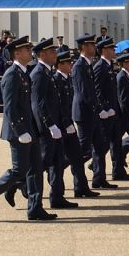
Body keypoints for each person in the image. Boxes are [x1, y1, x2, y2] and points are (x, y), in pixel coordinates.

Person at [0, 36, 56, 221]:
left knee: (35, 169)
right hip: (18, 131)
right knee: (19, 170)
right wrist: (20, 131)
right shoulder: (11, 75)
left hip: (30, 130)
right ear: (17, 53)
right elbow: (10, 107)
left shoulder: (24, 73)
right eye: (27, 49)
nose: (30, 52)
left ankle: (35, 208)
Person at [30, 37, 78, 209]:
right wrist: (49, 125)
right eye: (52, 52)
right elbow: (39, 104)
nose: (55, 54)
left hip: (56, 126)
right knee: (42, 163)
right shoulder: (38, 74)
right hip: (46, 129)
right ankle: (18, 185)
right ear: (42, 54)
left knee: (57, 162)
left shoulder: (47, 72)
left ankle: (57, 197)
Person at [72, 34, 117, 189]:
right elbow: (87, 93)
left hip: (93, 113)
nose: (94, 48)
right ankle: (57, 167)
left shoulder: (88, 65)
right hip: (85, 113)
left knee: (99, 146)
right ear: (83, 47)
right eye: (91, 45)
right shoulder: (79, 66)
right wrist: (101, 109)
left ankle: (99, 178)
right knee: (82, 152)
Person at [53, 50, 99, 198]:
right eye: (68, 62)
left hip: (68, 123)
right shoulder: (56, 80)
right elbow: (58, 106)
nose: (71, 64)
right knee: (51, 160)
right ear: (60, 65)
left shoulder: (66, 79)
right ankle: (22, 182)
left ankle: (81, 187)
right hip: (60, 126)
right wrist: (66, 123)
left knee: (78, 157)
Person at [93, 37, 129, 183]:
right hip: (106, 114)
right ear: (104, 50)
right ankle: (98, 175)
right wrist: (103, 109)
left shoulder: (108, 65)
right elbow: (97, 91)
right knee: (101, 145)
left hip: (114, 112)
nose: (114, 51)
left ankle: (118, 171)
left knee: (116, 143)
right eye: (111, 48)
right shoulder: (99, 66)